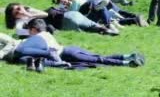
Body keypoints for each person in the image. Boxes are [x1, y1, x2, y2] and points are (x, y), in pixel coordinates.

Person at [13, 19, 144, 68]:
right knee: (98, 58)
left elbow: (22, 43)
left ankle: (126, 62)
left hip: (68, 53)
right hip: (69, 50)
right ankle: (127, 57)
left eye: (30, 31)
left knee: (98, 59)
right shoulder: (45, 33)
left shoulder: (39, 37)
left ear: (34, 30)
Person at [4, 3, 117, 37]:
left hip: (69, 15)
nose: (20, 11)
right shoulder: (20, 22)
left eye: (19, 8)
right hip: (63, 21)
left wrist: (28, 14)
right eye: (17, 12)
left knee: (91, 27)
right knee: (90, 28)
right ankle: (108, 26)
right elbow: (18, 31)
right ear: (14, 17)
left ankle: (107, 28)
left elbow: (44, 14)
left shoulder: (29, 9)